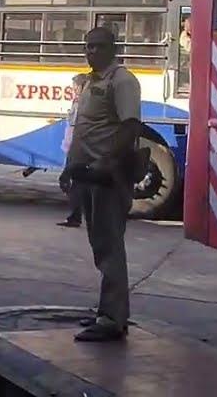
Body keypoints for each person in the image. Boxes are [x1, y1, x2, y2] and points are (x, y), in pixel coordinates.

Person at [61, 27, 142, 342]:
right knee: (101, 246)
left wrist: (108, 161)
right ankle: (109, 312)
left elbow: (130, 126)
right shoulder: (91, 82)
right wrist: (70, 170)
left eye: (98, 47)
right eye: (88, 47)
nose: (91, 52)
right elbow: (84, 130)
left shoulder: (122, 81)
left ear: (113, 48)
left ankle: (111, 318)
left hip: (108, 176)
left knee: (109, 247)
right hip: (87, 175)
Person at [57, 73, 92, 228]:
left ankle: (76, 217)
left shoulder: (82, 104)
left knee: (72, 182)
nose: (73, 90)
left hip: (77, 148)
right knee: (79, 183)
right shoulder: (80, 102)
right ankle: (77, 216)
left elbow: (79, 128)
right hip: (75, 146)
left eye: (75, 87)